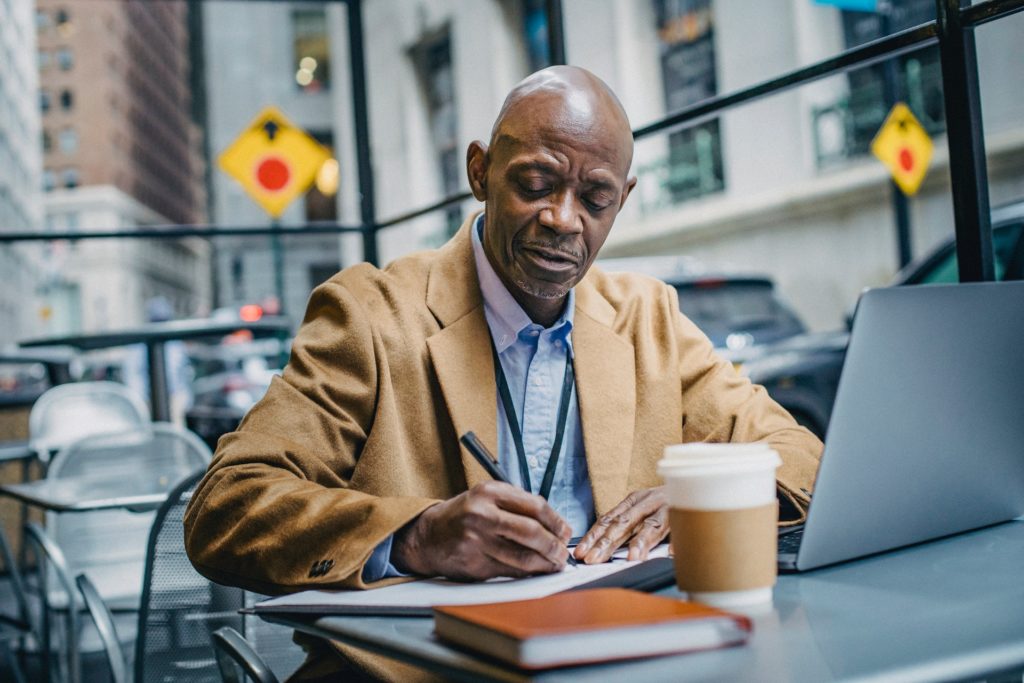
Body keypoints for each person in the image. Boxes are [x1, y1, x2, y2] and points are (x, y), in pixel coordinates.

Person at [184, 65, 821, 681]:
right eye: (536, 184)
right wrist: (416, 535)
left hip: (621, 657)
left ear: (622, 200)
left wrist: (697, 502)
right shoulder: (370, 316)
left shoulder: (648, 318)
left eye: (595, 198)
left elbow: (802, 457)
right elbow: (227, 507)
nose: (563, 219)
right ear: (479, 171)